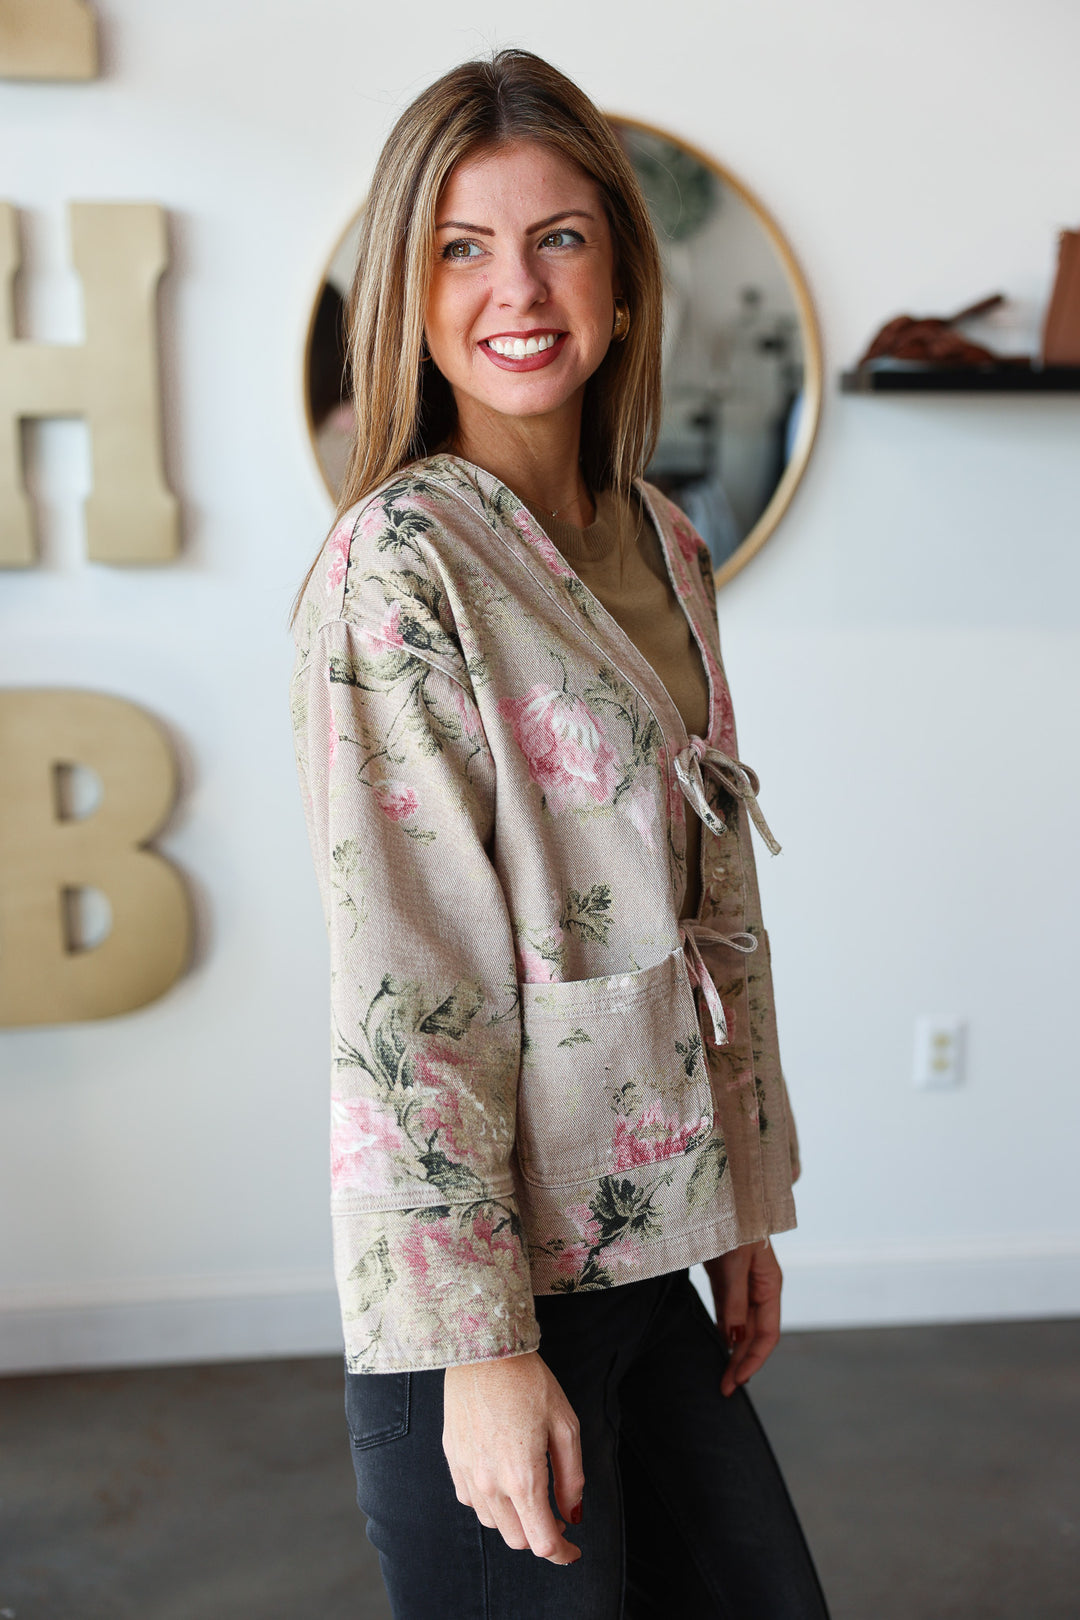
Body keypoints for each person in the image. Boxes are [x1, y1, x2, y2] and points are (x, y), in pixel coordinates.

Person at [290, 48, 829, 1620]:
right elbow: (412, 990)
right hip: (489, 1305)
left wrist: (739, 1207)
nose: (516, 288)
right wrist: (481, 1351)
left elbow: (707, 899)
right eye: (462, 245)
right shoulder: (398, 566)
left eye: (560, 237)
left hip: (646, 1248)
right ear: (410, 282)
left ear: (622, 271)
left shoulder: (660, 535)